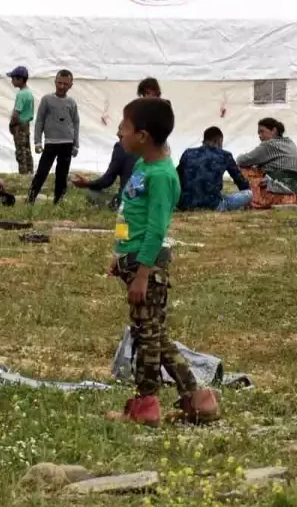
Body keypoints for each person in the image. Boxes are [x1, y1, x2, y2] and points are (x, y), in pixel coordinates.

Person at [107, 97, 220, 426]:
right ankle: (198, 400)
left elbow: (156, 230)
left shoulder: (161, 176)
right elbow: (130, 209)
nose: (118, 132)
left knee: (148, 336)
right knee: (151, 333)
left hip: (149, 265)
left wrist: (142, 273)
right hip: (133, 259)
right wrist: (120, 254)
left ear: (141, 135)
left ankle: (147, 403)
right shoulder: (143, 167)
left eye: (124, 127)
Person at [72, 78, 162, 206]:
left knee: (94, 194)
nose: (118, 134)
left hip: (131, 204)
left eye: (122, 129)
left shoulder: (124, 148)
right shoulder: (161, 156)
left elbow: (108, 180)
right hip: (151, 202)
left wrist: (87, 183)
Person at [29, 69, 79, 204]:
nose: (62, 87)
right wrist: (37, 142)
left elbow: (76, 123)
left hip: (67, 143)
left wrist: (76, 144)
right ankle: (31, 198)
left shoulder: (72, 103)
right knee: (42, 172)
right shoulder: (47, 100)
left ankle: (58, 200)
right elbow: (39, 120)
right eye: (59, 83)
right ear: (55, 82)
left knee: (62, 174)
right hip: (51, 142)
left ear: (71, 85)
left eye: (65, 84)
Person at [236, 118, 297, 209]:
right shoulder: (289, 142)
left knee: (241, 168)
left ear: (274, 130)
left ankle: (253, 199)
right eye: (259, 133)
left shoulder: (269, 145)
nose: (260, 135)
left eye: (262, 131)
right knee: (258, 171)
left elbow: (242, 160)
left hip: (286, 195)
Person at [177, 127, 252, 212]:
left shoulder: (188, 153)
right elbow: (240, 181)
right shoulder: (225, 155)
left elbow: (177, 177)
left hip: (186, 204)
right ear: (219, 141)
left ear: (204, 140)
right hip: (213, 204)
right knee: (249, 194)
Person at [7, 66, 35, 176]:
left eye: (13, 78)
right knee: (27, 149)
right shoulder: (29, 93)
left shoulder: (21, 94)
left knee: (20, 150)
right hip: (26, 124)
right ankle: (30, 171)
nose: (12, 81)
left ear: (20, 79)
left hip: (19, 125)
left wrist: (11, 124)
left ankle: (23, 173)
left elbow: (16, 113)